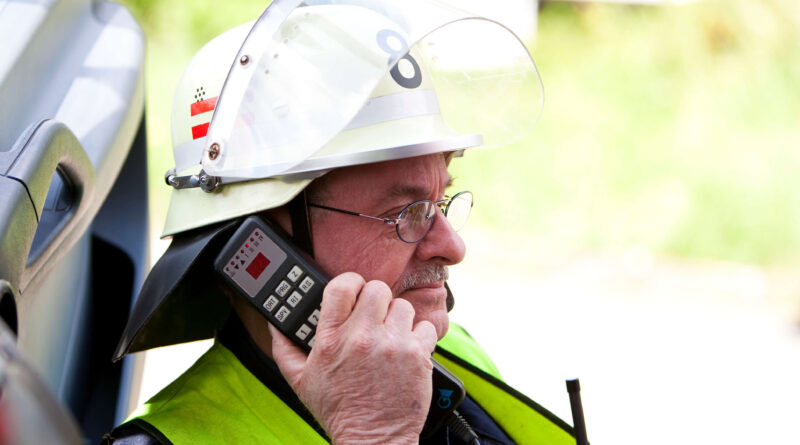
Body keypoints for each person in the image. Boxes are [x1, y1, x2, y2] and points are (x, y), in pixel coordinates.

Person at [105, 1, 574, 444]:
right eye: (407, 213)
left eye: (442, 199)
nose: (452, 247)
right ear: (262, 240)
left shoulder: (448, 352)